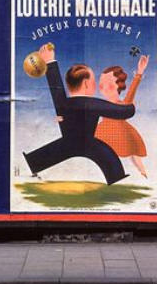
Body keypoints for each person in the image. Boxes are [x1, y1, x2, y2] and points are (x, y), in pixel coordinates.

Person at [23, 42, 134, 185]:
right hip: (89, 145)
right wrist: (132, 107)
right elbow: (123, 112)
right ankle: (116, 177)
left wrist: (49, 61)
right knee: (112, 165)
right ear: (87, 84)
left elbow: (56, 89)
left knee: (37, 161)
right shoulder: (91, 104)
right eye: (93, 81)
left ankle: (31, 164)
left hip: (68, 144)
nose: (95, 86)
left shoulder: (63, 103)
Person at [95, 55, 150, 178]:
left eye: (108, 84)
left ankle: (144, 175)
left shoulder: (122, 105)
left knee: (134, 157)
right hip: (104, 132)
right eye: (101, 85)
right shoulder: (100, 104)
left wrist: (140, 72)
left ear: (118, 85)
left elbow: (130, 95)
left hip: (122, 134)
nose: (104, 88)